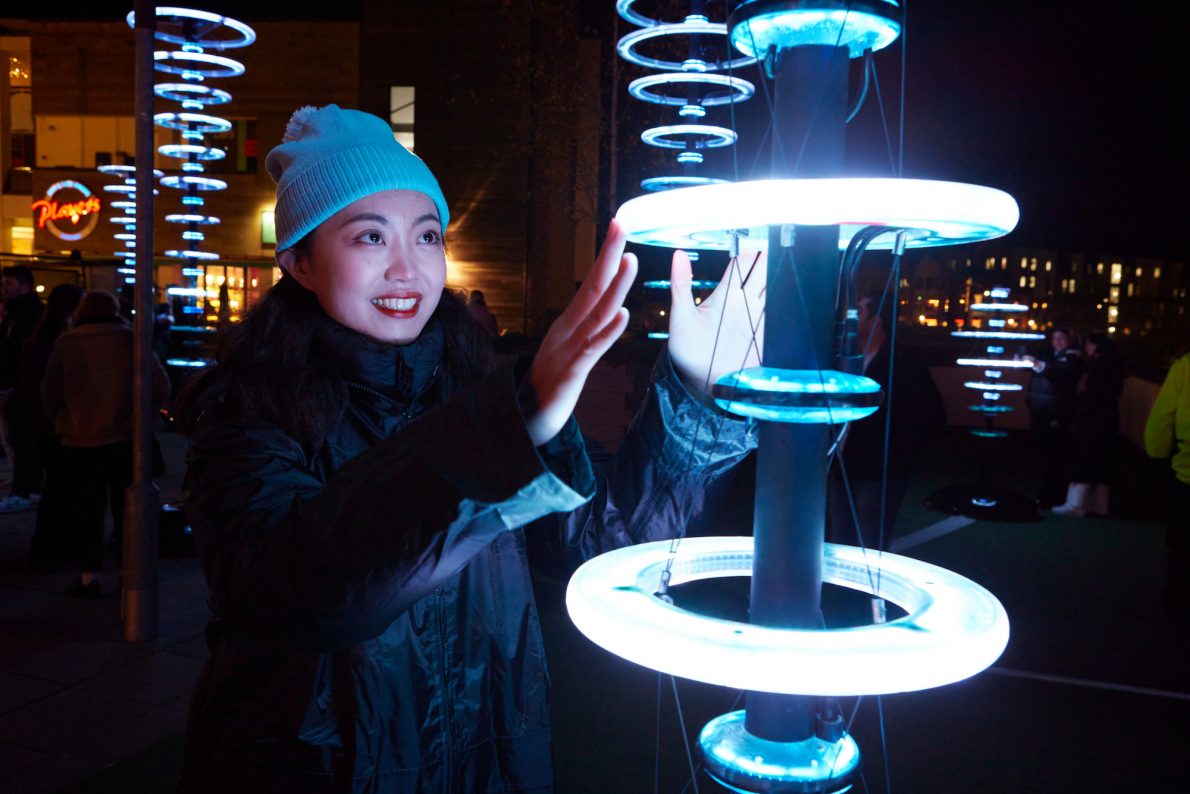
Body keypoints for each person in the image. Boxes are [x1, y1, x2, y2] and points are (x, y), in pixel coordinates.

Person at [175, 104, 761, 790]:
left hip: (490, 760)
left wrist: (696, 401)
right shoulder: (249, 410)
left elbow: (606, 541)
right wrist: (507, 434)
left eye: (427, 236)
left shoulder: (475, 384)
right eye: (369, 237)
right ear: (299, 261)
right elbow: (298, 590)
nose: (407, 268)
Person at [41, 291, 171, 597]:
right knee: (127, 511)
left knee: (87, 510)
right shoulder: (131, 341)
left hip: (81, 440)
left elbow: (50, 393)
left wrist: (65, 419)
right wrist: (141, 417)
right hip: (126, 439)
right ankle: (128, 571)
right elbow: (161, 385)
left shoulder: (68, 343)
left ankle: (89, 576)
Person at [828, 292, 946, 552]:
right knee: (840, 541)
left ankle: (863, 594)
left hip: (879, 471)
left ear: (875, 322)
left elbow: (930, 416)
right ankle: (840, 591)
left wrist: (895, 453)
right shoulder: (845, 361)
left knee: (870, 544)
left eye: (857, 313)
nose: (849, 320)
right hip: (843, 465)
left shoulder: (904, 364)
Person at [24, 283, 86, 570]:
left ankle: (50, 542)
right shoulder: (62, 341)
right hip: (56, 424)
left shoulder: (41, 338)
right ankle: (55, 543)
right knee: (62, 486)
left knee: (58, 485)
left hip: (43, 422)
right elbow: (53, 387)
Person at [1052, 331, 1125, 516]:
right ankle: (1100, 506)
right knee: (1102, 463)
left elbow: (1094, 393)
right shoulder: (1114, 366)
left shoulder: (1099, 367)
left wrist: (1079, 402)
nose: (1086, 348)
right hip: (1107, 420)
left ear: (1096, 346)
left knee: (1083, 459)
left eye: (1089, 345)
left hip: (1092, 420)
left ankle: (1076, 504)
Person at [1144, 351, 1189, 618]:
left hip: (1186, 475)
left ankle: (1177, 608)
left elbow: (1161, 421)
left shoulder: (1185, 367)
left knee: (1183, 547)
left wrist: (1158, 458)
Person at [0, 265, 46, 512]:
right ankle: (31, 486)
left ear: (25, 285)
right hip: (20, 384)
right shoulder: (20, 312)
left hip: (19, 386)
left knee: (19, 438)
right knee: (21, 439)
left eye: (10, 284)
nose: (5, 289)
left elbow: (16, 351)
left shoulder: (23, 314)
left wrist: (11, 382)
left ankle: (23, 489)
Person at [1023, 326, 1084, 507]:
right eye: (1054, 338)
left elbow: (1059, 375)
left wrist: (1037, 364)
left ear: (1069, 340)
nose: (1057, 342)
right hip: (1041, 410)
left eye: (1061, 338)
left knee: (1054, 454)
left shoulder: (1073, 358)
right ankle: (1048, 492)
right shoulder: (1052, 357)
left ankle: (1054, 494)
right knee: (1045, 454)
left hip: (1056, 412)